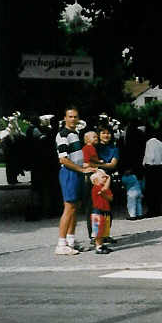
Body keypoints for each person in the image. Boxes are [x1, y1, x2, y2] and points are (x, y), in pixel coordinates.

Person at [54, 106, 95, 255]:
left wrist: (85, 166)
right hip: (69, 174)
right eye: (70, 116)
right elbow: (63, 159)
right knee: (69, 208)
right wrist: (81, 169)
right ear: (65, 118)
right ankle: (61, 244)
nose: (73, 119)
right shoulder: (62, 134)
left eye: (75, 116)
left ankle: (71, 242)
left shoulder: (74, 133)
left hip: (76, 172)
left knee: (75, 208)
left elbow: (75, 157)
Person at [142, 128, 162, 217]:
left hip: (151, 167)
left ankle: (151, 211)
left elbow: (149, 156)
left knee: (150, 191)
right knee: (157, 190)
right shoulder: (161, 143)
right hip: (159, 167)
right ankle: (158, 210)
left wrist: (145, 163)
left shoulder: (149, 143)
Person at [90, 169, 113, 254]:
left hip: (105, 212)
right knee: (98, 230)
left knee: (103, 230)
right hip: (97, 212)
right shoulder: (96, 188)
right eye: (103, 177)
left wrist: (104, 195)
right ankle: (98, 246)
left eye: (106, 177)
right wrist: (109, 178)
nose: (105, 178)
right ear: (95, 180)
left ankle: (101, 245)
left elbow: (110, 198)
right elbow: (104, 189)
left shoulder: (105, 189)